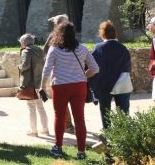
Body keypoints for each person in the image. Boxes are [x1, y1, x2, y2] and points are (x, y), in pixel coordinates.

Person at [41, 21, 99, 160]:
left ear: (58, 33)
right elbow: (95, 68)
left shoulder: (54, 49)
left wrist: (42, 86)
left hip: (60, 86)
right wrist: (82, 75)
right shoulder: (82, 49)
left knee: (59, 117)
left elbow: (47, 69)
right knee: (79, 119)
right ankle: (81, 152)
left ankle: (58, 148)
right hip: (79, 86)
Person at [90, 20, 132, 129]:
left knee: (105, 112)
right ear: (114, 33)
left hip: (104, 85)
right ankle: (124, 136)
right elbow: (127, 67)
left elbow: (93, 67)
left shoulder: (98, 48)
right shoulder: (123, 48)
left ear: (102, 33)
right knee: (123, 113)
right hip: (123, 83)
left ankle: (108, 135)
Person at [44, 14, 73, 134]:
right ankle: (71, 125)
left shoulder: (54, 36)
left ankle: (68, 126)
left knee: (62, 103)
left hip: (59, 75)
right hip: (74, 73)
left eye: (55, 23)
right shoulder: (72, 36)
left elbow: (46, 50)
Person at [18, 33, 49, 137]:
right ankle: (45, 129)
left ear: (23, 42)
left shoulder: (26, 51)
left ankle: (33, 131)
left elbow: (25, 65)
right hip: (39, 83)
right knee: (40, 106)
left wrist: (19, 67)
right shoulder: (40, 51)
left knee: (31, 107)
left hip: (29, 83)